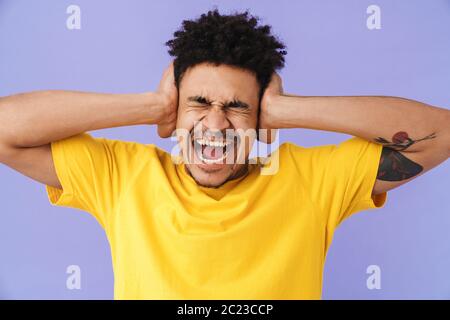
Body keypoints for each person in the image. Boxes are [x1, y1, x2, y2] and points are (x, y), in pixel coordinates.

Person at [0, 9, 448, 299]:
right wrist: (153, 106)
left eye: (237, 108)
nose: (215, 125)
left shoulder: (313, 180)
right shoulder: (121, 175)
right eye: (198, 102)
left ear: (261, 121)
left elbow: (440, 132)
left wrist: (287, 110)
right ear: (175, 109)